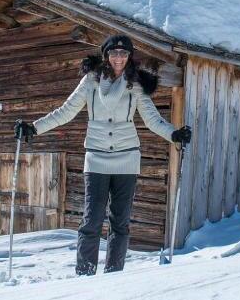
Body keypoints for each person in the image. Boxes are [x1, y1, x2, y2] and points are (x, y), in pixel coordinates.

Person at [15, 34, 191, 275]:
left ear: (129, 57)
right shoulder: (91, 81)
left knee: (120, 222)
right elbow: (66, 111)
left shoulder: (136, 84)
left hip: (127, 160)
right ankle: (85, 272)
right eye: (114, 53)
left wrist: (174, 134)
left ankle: (114, 273)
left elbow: (152, 119)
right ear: (106, 55)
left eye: (124, 53)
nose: (119, 57)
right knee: (91, 221)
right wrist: (34, 127)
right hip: (96, 158)